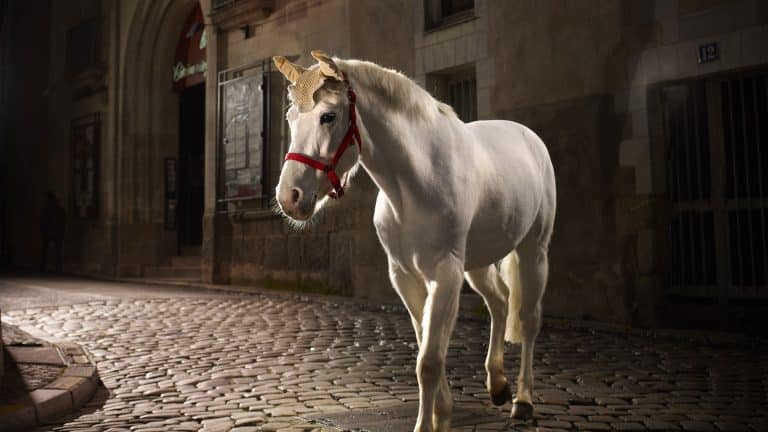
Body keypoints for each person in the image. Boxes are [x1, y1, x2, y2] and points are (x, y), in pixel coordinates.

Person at [40, 192, 66, 273]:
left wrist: (43, 230)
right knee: (57, 250)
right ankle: (58, 268)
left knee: (47, 250)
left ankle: (45, 266)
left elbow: (42, 220)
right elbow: (64, 220)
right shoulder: (59, 209)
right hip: (55, 232)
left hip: (50, 232)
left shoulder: (47, 209)